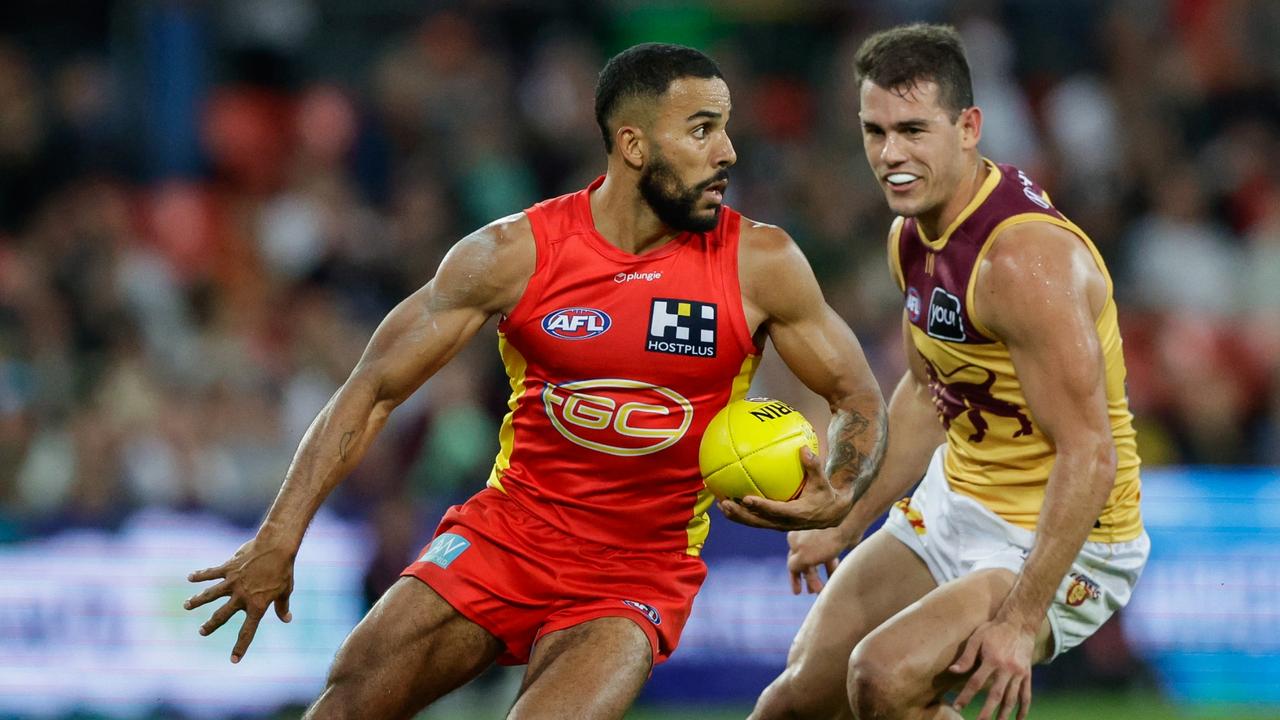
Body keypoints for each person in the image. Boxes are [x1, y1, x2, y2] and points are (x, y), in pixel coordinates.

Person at [183, 43, 887, 720]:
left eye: (725, 129)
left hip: (636, 573)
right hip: (508, 537)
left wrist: (842, 487)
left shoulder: (760, 262)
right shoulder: (511, 253)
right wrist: (280, 536)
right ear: (634, 146)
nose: (728, 151)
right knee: (347, 702)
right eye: (702, 130)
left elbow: (856, 396)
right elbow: (373, 390)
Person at [733, 24, 1150, 720]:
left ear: (968, 127)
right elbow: (931, 394)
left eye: (913, 130)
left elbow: (1091, 451)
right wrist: (846, 517)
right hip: (958, 504)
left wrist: (1019, 622)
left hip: (1068, 534)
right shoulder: (913, 235)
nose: (890, 154)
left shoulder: (1021, 263)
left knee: (883, 678)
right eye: (875, 131)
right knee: (790, 704)